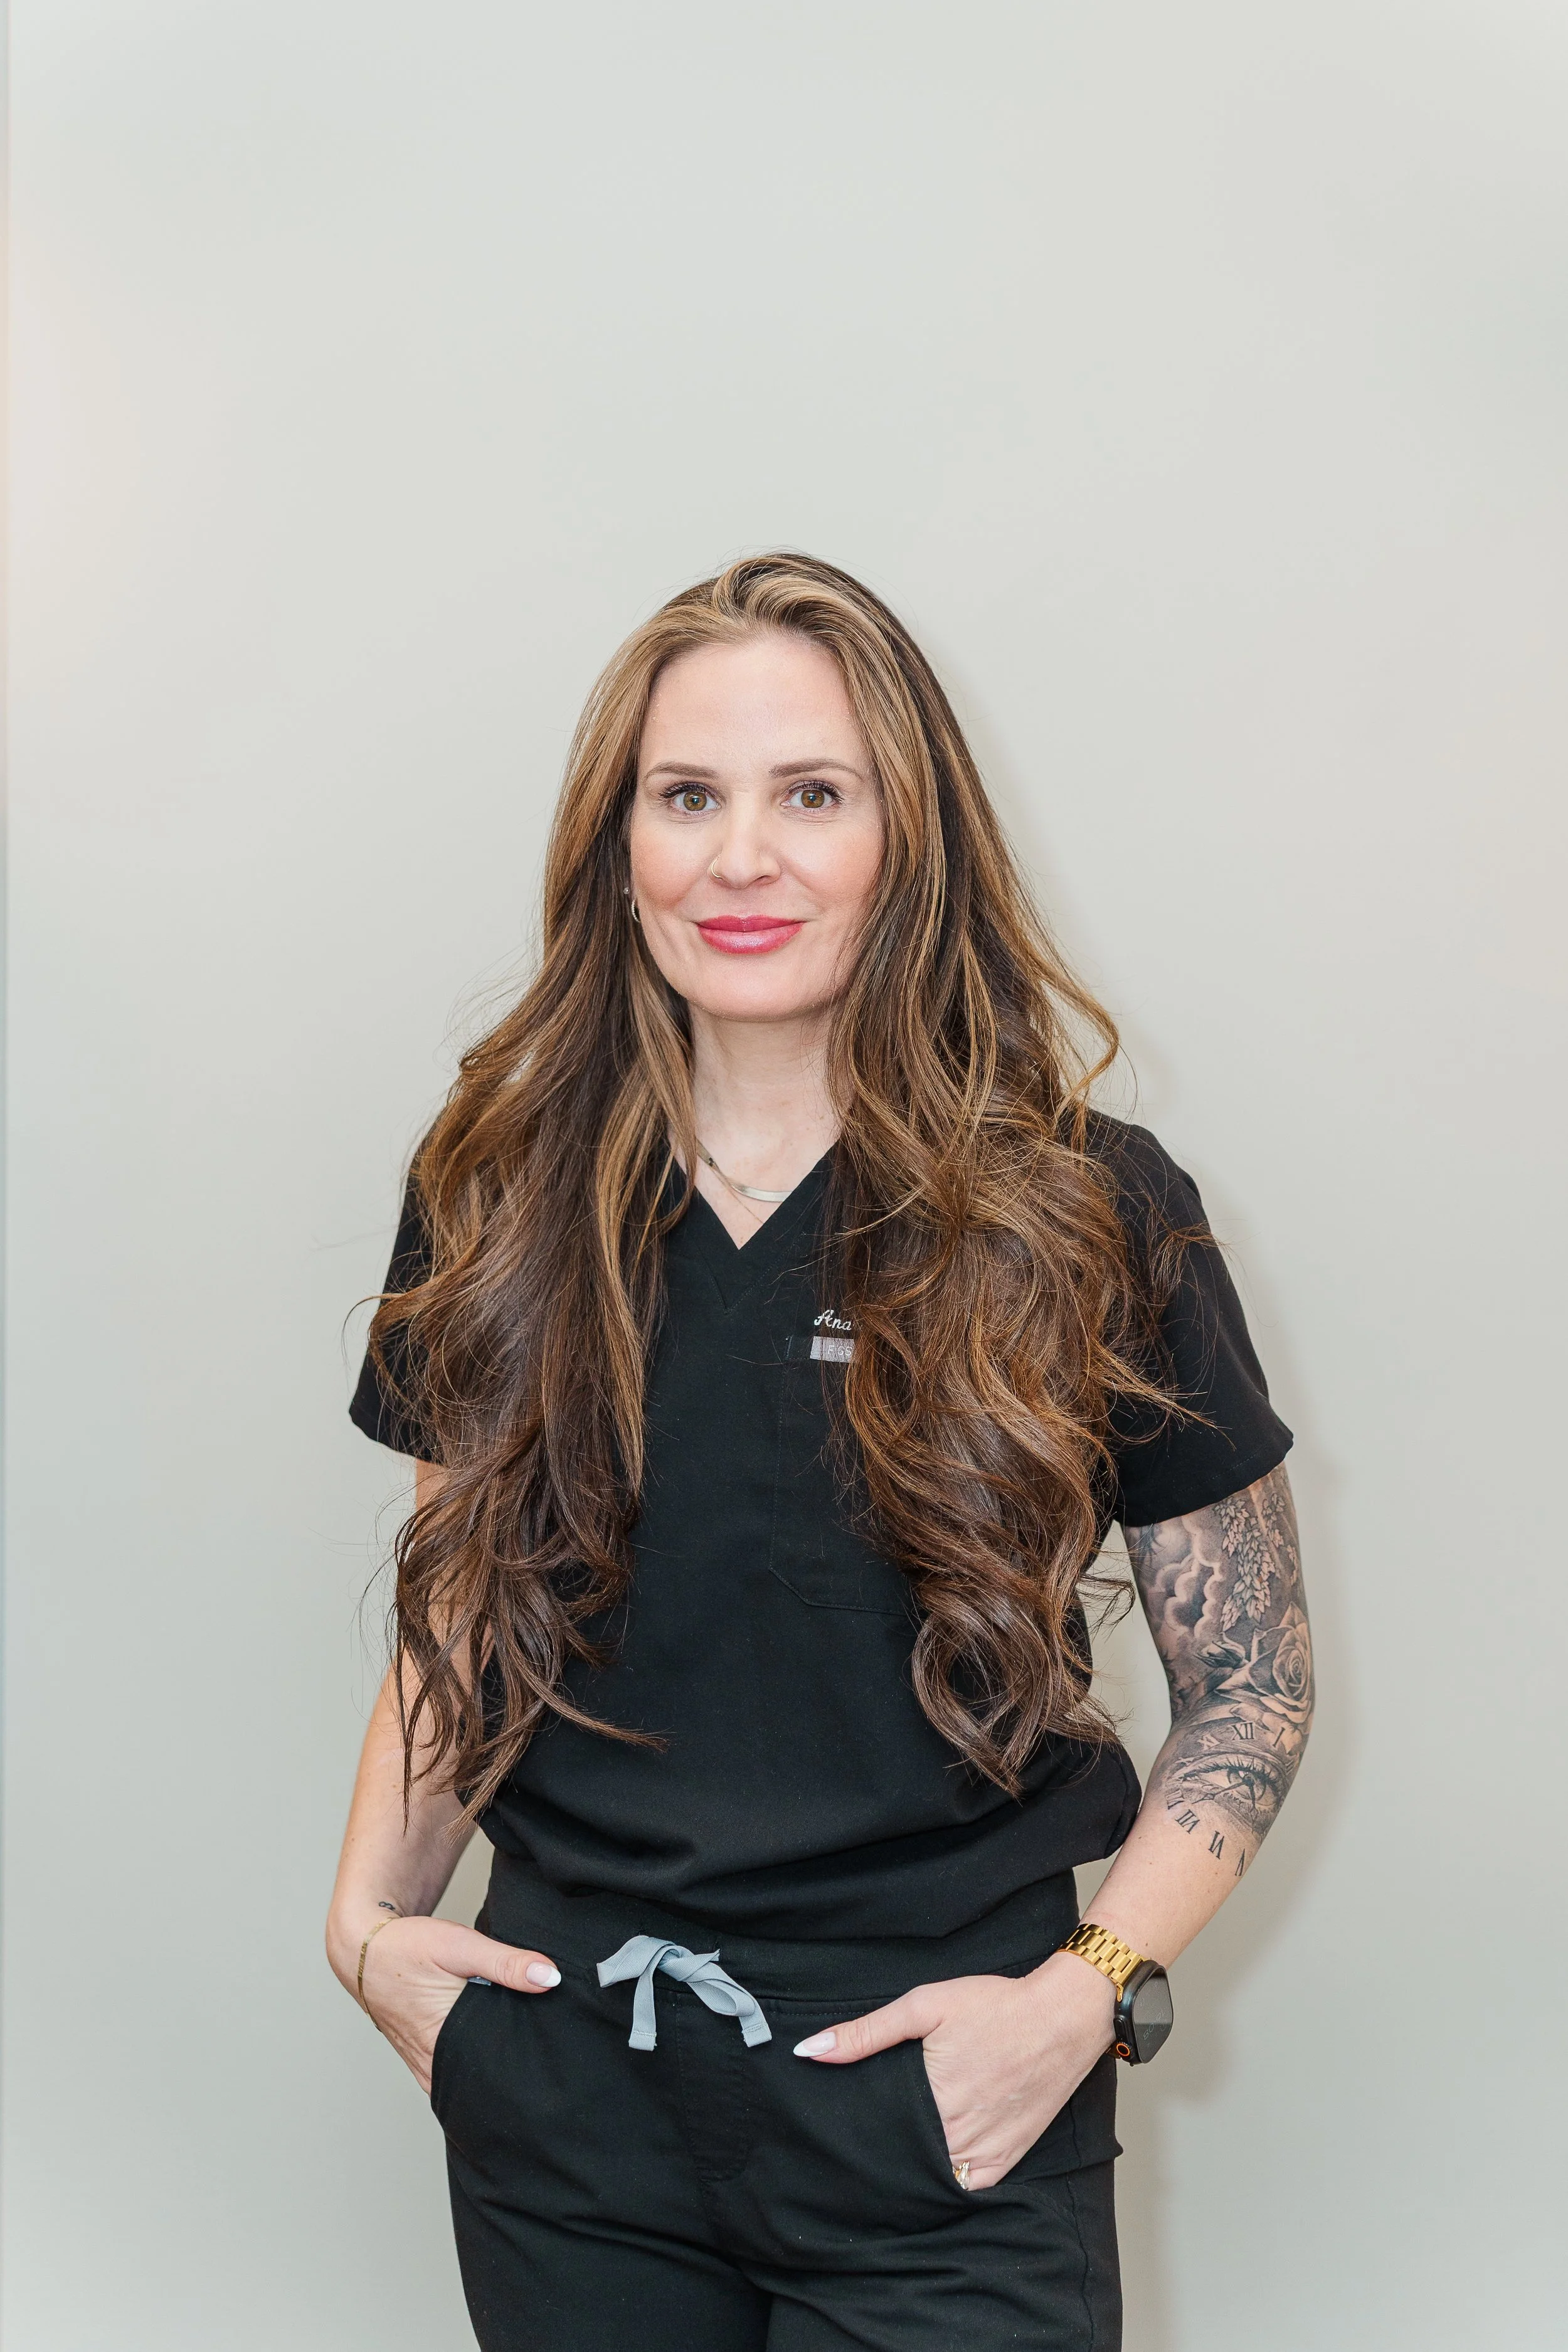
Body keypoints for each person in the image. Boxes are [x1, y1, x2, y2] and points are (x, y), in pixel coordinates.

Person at [327, 553, 1312, 2352]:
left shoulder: (1086, 1212)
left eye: (813, 795)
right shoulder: (497, 1197)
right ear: (615, 840)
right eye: (686, 795)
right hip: (573, 2089)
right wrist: (367, 1928)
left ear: (905, 839)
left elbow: (1249, 1685)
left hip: (943, 2101)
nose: (740, 856)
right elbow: (461, 1614)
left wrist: (1085, 1991)